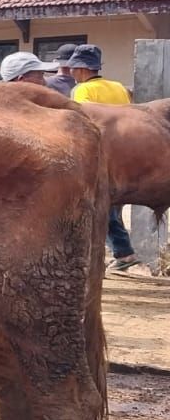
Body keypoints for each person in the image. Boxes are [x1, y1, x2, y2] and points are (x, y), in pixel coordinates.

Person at [67, 44, 139, 272]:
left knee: (99, 206)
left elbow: (82, 123)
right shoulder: (118, 87)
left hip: (100, 152)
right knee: (113, 206)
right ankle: (122, 252)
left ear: (82, 69)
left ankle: (123, 252)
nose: (70, 72)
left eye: (73, 67)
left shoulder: (81, 91)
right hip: (125, 150)